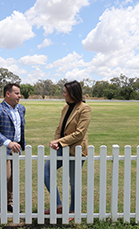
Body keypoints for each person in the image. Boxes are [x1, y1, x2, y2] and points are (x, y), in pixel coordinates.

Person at [44, 80, 91, 221]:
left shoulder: (85, 108)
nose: (63, 94)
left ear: (72, 93)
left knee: (73, 182)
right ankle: (59, 206)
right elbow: (60, 128)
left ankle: (73, 211)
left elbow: (79, 133)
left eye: (65, 92)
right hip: (62, 148)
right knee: (46, 170)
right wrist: (57, 142)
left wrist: (60, 141)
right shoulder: (65, 107)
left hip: (76, 150)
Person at [0, 83, 25, 223]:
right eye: (16, 93)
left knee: (13, 177)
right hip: (2, 148)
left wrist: (19, 143)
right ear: (8, 94)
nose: (19, 96)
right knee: (5, 176)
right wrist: (7, 142)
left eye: (19, 93)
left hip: (16, 149)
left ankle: (9, 202)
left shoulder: (21, 109)